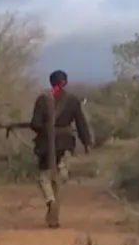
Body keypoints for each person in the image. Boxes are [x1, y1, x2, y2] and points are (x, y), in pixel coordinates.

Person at [26, 70, 93, 228]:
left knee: (44, 176)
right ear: (65, 82)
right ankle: (55, 208)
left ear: (51, 82)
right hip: (65, 143)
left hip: (45, 144)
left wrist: (46, 129)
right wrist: (86, 142)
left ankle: (50, 200)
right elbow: (81, 123)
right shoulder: (72, 100)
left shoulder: (43, 99)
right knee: (61, 176)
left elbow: (35, 124)